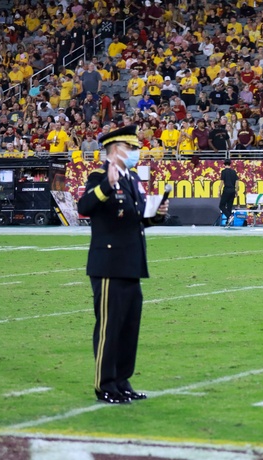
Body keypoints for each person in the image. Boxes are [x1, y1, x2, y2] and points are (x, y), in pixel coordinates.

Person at [76, 124, 168, 404]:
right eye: (130, 148)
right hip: (109, 265)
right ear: (115, 150)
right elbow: (84, 207)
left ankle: (122, 380)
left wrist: (156, 215)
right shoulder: (99, 175)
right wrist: (107, 184)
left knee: (129, 327)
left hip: (131, 263)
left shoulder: (131, 179)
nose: (135, 153)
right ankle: (105, 385)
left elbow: (135, 219)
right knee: (109, 327)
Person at [218, 159, 239, 225]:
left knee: (221, 205)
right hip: (232, 190)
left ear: (224, 164)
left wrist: (219, 190)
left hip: (226, 190)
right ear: (230, 164)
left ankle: (229, 216)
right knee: (229, 206)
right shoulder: (234, 172)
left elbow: (222, 182)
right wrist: (236, 190)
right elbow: (237, 182)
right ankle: (228, 222)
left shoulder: (224, 172)